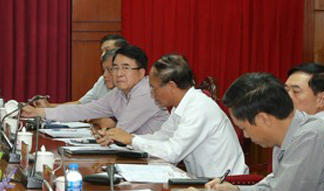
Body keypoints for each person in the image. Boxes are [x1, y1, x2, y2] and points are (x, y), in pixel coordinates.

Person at [180, 72, 324, 191]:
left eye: (244, 128)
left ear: (264, 119)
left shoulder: (311, 136)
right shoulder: (288, 134)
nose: (245, 136)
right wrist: (236, 190)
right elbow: (275, 187)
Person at [96, 54, 248, 178]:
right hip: (202, 183)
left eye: (153, 88)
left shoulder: (198, 107)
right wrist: (123, 139)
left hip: (225, 186)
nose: (152, 93)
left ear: (171, 86)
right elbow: (161, 137)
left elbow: (172, 153)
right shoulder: (183, 105)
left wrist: (131, 139)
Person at [23, 45, 168, 135]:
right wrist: (37, 112)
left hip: (156, 161)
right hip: (136, 156)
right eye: (115, 68)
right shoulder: (117, 94)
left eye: (126, 68)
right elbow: (83, 110)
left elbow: (121, 131)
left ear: (141, 73)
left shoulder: (147, 92)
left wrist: (107, 134)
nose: (119, 73)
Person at [36, 35, 126, 108]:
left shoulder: (128, 87)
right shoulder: (103, 80)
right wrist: (48, 107)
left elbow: (110, 121)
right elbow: (80, 105)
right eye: (102, 51)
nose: (102, 55)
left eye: (108, 50)